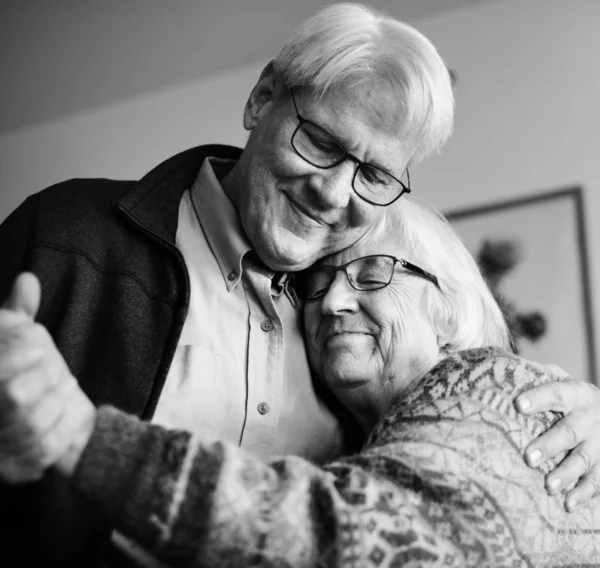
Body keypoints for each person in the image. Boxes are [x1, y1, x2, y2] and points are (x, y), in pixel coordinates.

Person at [1, 2, 599, 565]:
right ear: (261, 100)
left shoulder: (380, 358)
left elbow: (372, 526)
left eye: (373, 173)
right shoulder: (68, 234)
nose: (334, 193)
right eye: (321, 143)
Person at [2, 197, 599, 567]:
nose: (333, 301)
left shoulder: (492, 388)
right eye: (316, 284)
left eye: (372, 274)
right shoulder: (368, 439)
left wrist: (81, 435)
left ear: (450, 310)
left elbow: (359, 541)